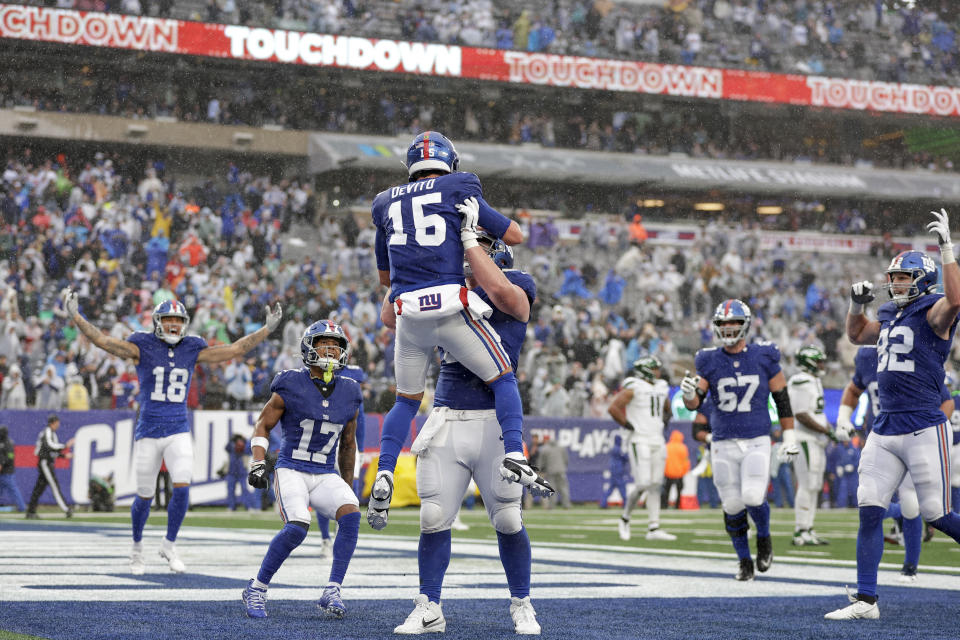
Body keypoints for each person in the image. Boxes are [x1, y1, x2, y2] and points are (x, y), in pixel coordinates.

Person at [367, 131, 552, 532]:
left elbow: (386, 278)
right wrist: (467, 237)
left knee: (405, 400)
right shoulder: (461, 185)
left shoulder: (384, 201)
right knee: (505, 376)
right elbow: (516, 234)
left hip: (409, 311)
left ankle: (383, 469)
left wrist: (419, 259)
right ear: (452, 160)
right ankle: (517, 453)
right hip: (451, 308)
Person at [62, 290, 282, 574]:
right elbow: (104, 341)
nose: (174, 326)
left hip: (178, 428)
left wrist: (267, 329)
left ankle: (169, 543)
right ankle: (137, 548)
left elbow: (236, 349)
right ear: (157, 322)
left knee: (182, 486)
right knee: (143, 495)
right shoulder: (143, 345)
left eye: (178, 320)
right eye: (168, 320)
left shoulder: (191, 348)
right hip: (149, 430)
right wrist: (77, 316)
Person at [389, 231, 542, 635]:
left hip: (494, 418)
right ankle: (429, 606)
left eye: (484, 242)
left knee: (508, 519)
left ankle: (521, 602)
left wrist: (467, 247)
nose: (470, 247)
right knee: (433, 516)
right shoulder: (445, 290)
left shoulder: (516, 283)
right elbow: (390, 316)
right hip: (447, 416)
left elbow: (499, 290)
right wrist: (409, 274)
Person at [826, 208, 960, 620]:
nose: (895, 283)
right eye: (894, 277)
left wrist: (947, 248)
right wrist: (854, 305)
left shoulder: (935, 310)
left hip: (923, 425)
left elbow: (957, 299)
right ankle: (866, 601)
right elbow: (855, 335)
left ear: (921, 280)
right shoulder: (888, 314)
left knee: (937, 513)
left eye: (902, 278)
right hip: (884, 428)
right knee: (869, 507)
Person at [242, 320, 362, 620]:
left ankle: (333, 588)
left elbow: (348, 444)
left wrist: (347, 486)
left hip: (324, 472)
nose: (331, 350)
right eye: (324, 344)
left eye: (336, 345)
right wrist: (258, 460)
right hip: (292, 467)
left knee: (351, 514)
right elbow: (263, 424)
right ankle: (256, 588)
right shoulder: (290, 383)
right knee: (297, 525)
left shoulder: (350, 390)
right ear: (309, 348)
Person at [681, 299, 800, 581]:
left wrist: (789, 435)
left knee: (753, 496)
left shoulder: (763, 355)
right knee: (732, 505)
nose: (728, 328)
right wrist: (688, 395)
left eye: (733, 322)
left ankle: (765, 537)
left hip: (757, 437)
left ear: (745, 324)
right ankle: (744, 560)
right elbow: (695, 403)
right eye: (723, 323)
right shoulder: (707, 360)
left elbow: (781, 398)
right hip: (722, 441)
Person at [835, 344, 940, 582]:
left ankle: (910, 566)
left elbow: (944, 399)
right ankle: (866, 591)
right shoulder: (867, 356)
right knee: (869, 503)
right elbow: (853, 389)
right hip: (880, 438)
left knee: (919, 506)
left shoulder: (914, 350)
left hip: (913, 435)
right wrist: (842, 418)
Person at [607, 356, 676, 540]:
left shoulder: (661, 386)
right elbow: (613, 408)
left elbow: (667, 408)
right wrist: (629, 426)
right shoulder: (633, 386)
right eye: (655, 368)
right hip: (640, 439)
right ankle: (625, 518)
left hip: (657, 439)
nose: (658, 372)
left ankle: (653, 528)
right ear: (646, 369)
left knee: (656, 484)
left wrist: (665, 420)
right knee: (643, 483)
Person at [788, 345, 844, 546]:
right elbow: (801, 414)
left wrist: (829, 430)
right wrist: (826, 430)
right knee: (806, 485)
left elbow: (816, 414)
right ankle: (800, 530)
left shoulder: (814, 381)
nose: (822, 364)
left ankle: (808, 529)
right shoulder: (800, 380)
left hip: (815, 440)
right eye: (818, 361)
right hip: (805, 439)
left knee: (814, 486)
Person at [316, 360, 368, 558]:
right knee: (321, 489)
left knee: (349, 490)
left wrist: (360, 447)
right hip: (326, 436)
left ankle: (342, 536)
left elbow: (359, 415)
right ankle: (325, 539)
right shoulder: (315, 371)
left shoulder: (354, 373)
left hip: (348, 437)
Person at [25, 414, 74, 518]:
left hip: (46, 461)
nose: (58, 425)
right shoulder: (47, 432)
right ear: (53, 423)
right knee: (54, 485)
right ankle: (66, 508)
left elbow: (52, 451)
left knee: (39, 488)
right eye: (57, 422)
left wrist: (64, 456)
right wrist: (65, 446)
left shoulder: (52, 434)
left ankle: (31, 511)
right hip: (45, 463)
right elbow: (49, 446)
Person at [224, 434, 255, 511]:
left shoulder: (245, 447)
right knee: (230, 490)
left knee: (244, 489)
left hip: (242, 472)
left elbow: (249, 450)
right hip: (231, 472)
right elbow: (226, 448)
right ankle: (232, 507)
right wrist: (231, 440)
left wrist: (245, 440)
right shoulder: (232, 446)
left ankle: (248, 506)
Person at [599, 432, 629, 510]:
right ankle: (626, 504)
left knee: (611, 488)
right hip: (618, 471)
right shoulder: (618, 449)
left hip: (614, 470)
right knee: (622, 488)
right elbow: (625, 458)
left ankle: (603, 503)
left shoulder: (614, 449)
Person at [0, 424, 26, 512]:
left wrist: (1, 464)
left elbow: (10, 457)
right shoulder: (1, 442)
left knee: (13, 489)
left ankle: (21, 507)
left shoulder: (9, 443)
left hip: (7, 472)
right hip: (2, 472)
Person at [663, 430, 690, 509]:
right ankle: (677, 505)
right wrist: (684, 471)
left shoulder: (667, 446)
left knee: (666, 490)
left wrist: (664, 471)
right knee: (679, 491)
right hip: (679, 473)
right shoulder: (683, 447)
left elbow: (664, 461)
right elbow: (686, 461)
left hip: (668, 473)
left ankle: (664, 505)